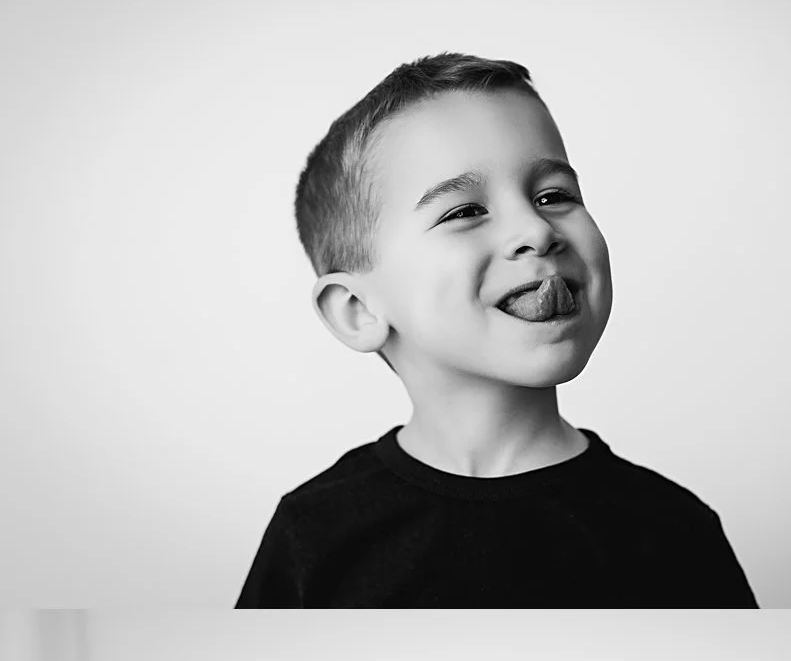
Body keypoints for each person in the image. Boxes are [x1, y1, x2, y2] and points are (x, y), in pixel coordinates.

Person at [239, 53, 757, 607]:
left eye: (554, 196)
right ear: (358, 310)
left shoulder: (672, 532)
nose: (537, 229)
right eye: (464, 211)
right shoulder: (315, 531)